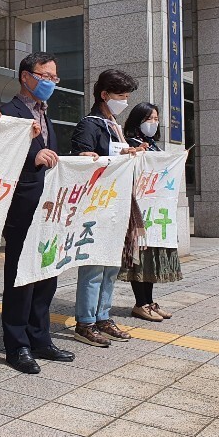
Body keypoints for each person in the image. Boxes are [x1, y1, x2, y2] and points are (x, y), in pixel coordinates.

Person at [0, 52, 76, 374]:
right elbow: (0, 158)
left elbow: (51, 155)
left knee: (46, 271)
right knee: (20, 277)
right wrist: (32, 156)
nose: (50, 83)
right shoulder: (8, 112)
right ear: (25, 76)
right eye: (45, 76)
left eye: (54, 78)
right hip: (21, 206)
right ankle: (17, 346)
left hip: (48, 208)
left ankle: (40, 338)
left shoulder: (46, 114)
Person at [69, 69, 142, 348]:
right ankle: (85, 322)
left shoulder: (115, 126)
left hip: (116, 204)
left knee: (110, 264)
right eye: (121, 96)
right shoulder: (90, 125)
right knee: (93, 266)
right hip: (96, 206)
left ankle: (103, 316)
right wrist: (117, 155)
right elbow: (82, 161)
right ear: (104, 95)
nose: (124, 101)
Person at [118, 102, 181, 321]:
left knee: (151, 257)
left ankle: (150, 302)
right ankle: (140, 303)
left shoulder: (153, 145)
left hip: (154, 211)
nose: (153, 123)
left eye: (156, 119)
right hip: (137, 209)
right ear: (137, 120)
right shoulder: (128, 144)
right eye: (148, 119)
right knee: (140, 258)